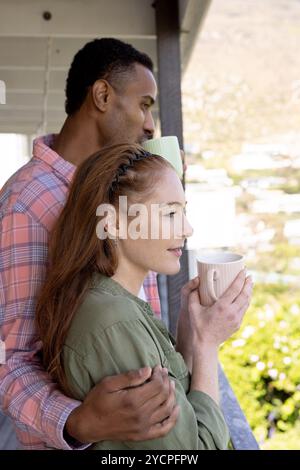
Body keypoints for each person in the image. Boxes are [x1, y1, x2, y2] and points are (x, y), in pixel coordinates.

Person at [0, 38, 178, 450]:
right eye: (145, 104)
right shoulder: (28, 203)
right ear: (101, 95)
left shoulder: (119, 193)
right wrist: (77, 421)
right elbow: (11, 361)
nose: (151, 126)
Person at [36, 143, 253, 450]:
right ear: (112, 223)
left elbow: (180, 412)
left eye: (184, 211)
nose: (187, 228)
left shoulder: (113, 303)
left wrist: (189, 335)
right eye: (170, 214)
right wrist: (208, 345)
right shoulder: (114, 321)